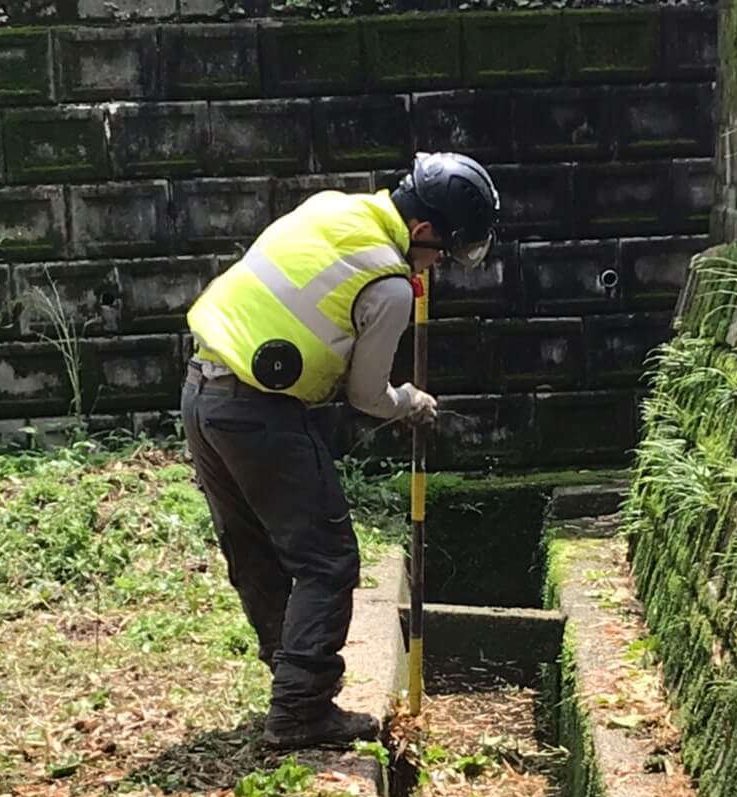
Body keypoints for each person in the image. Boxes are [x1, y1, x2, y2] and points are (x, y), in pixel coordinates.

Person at [182, 152, 501, 750]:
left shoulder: (335, 208)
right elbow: (365, 395)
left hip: (202, 393)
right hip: (259, 413)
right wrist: (411, 402)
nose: (435, 268)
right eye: (440, 253)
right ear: (423, 231)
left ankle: (290, 680)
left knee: (253, 548)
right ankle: (302, 709)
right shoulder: (388, 283)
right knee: (326, 558)